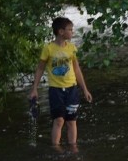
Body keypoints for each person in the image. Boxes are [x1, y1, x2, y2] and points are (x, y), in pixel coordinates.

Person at [29, 16, 93, 146]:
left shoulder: (72, 48)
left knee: (71, 121)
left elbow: (76, 69)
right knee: (59, 120)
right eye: (70, 29)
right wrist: (34, 88)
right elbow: (40, 68)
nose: (72, 32)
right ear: (61, 31)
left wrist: (85, 89)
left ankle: (73, 147)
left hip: (72, 89)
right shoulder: (48, 48)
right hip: (56, 90)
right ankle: (55, 147)